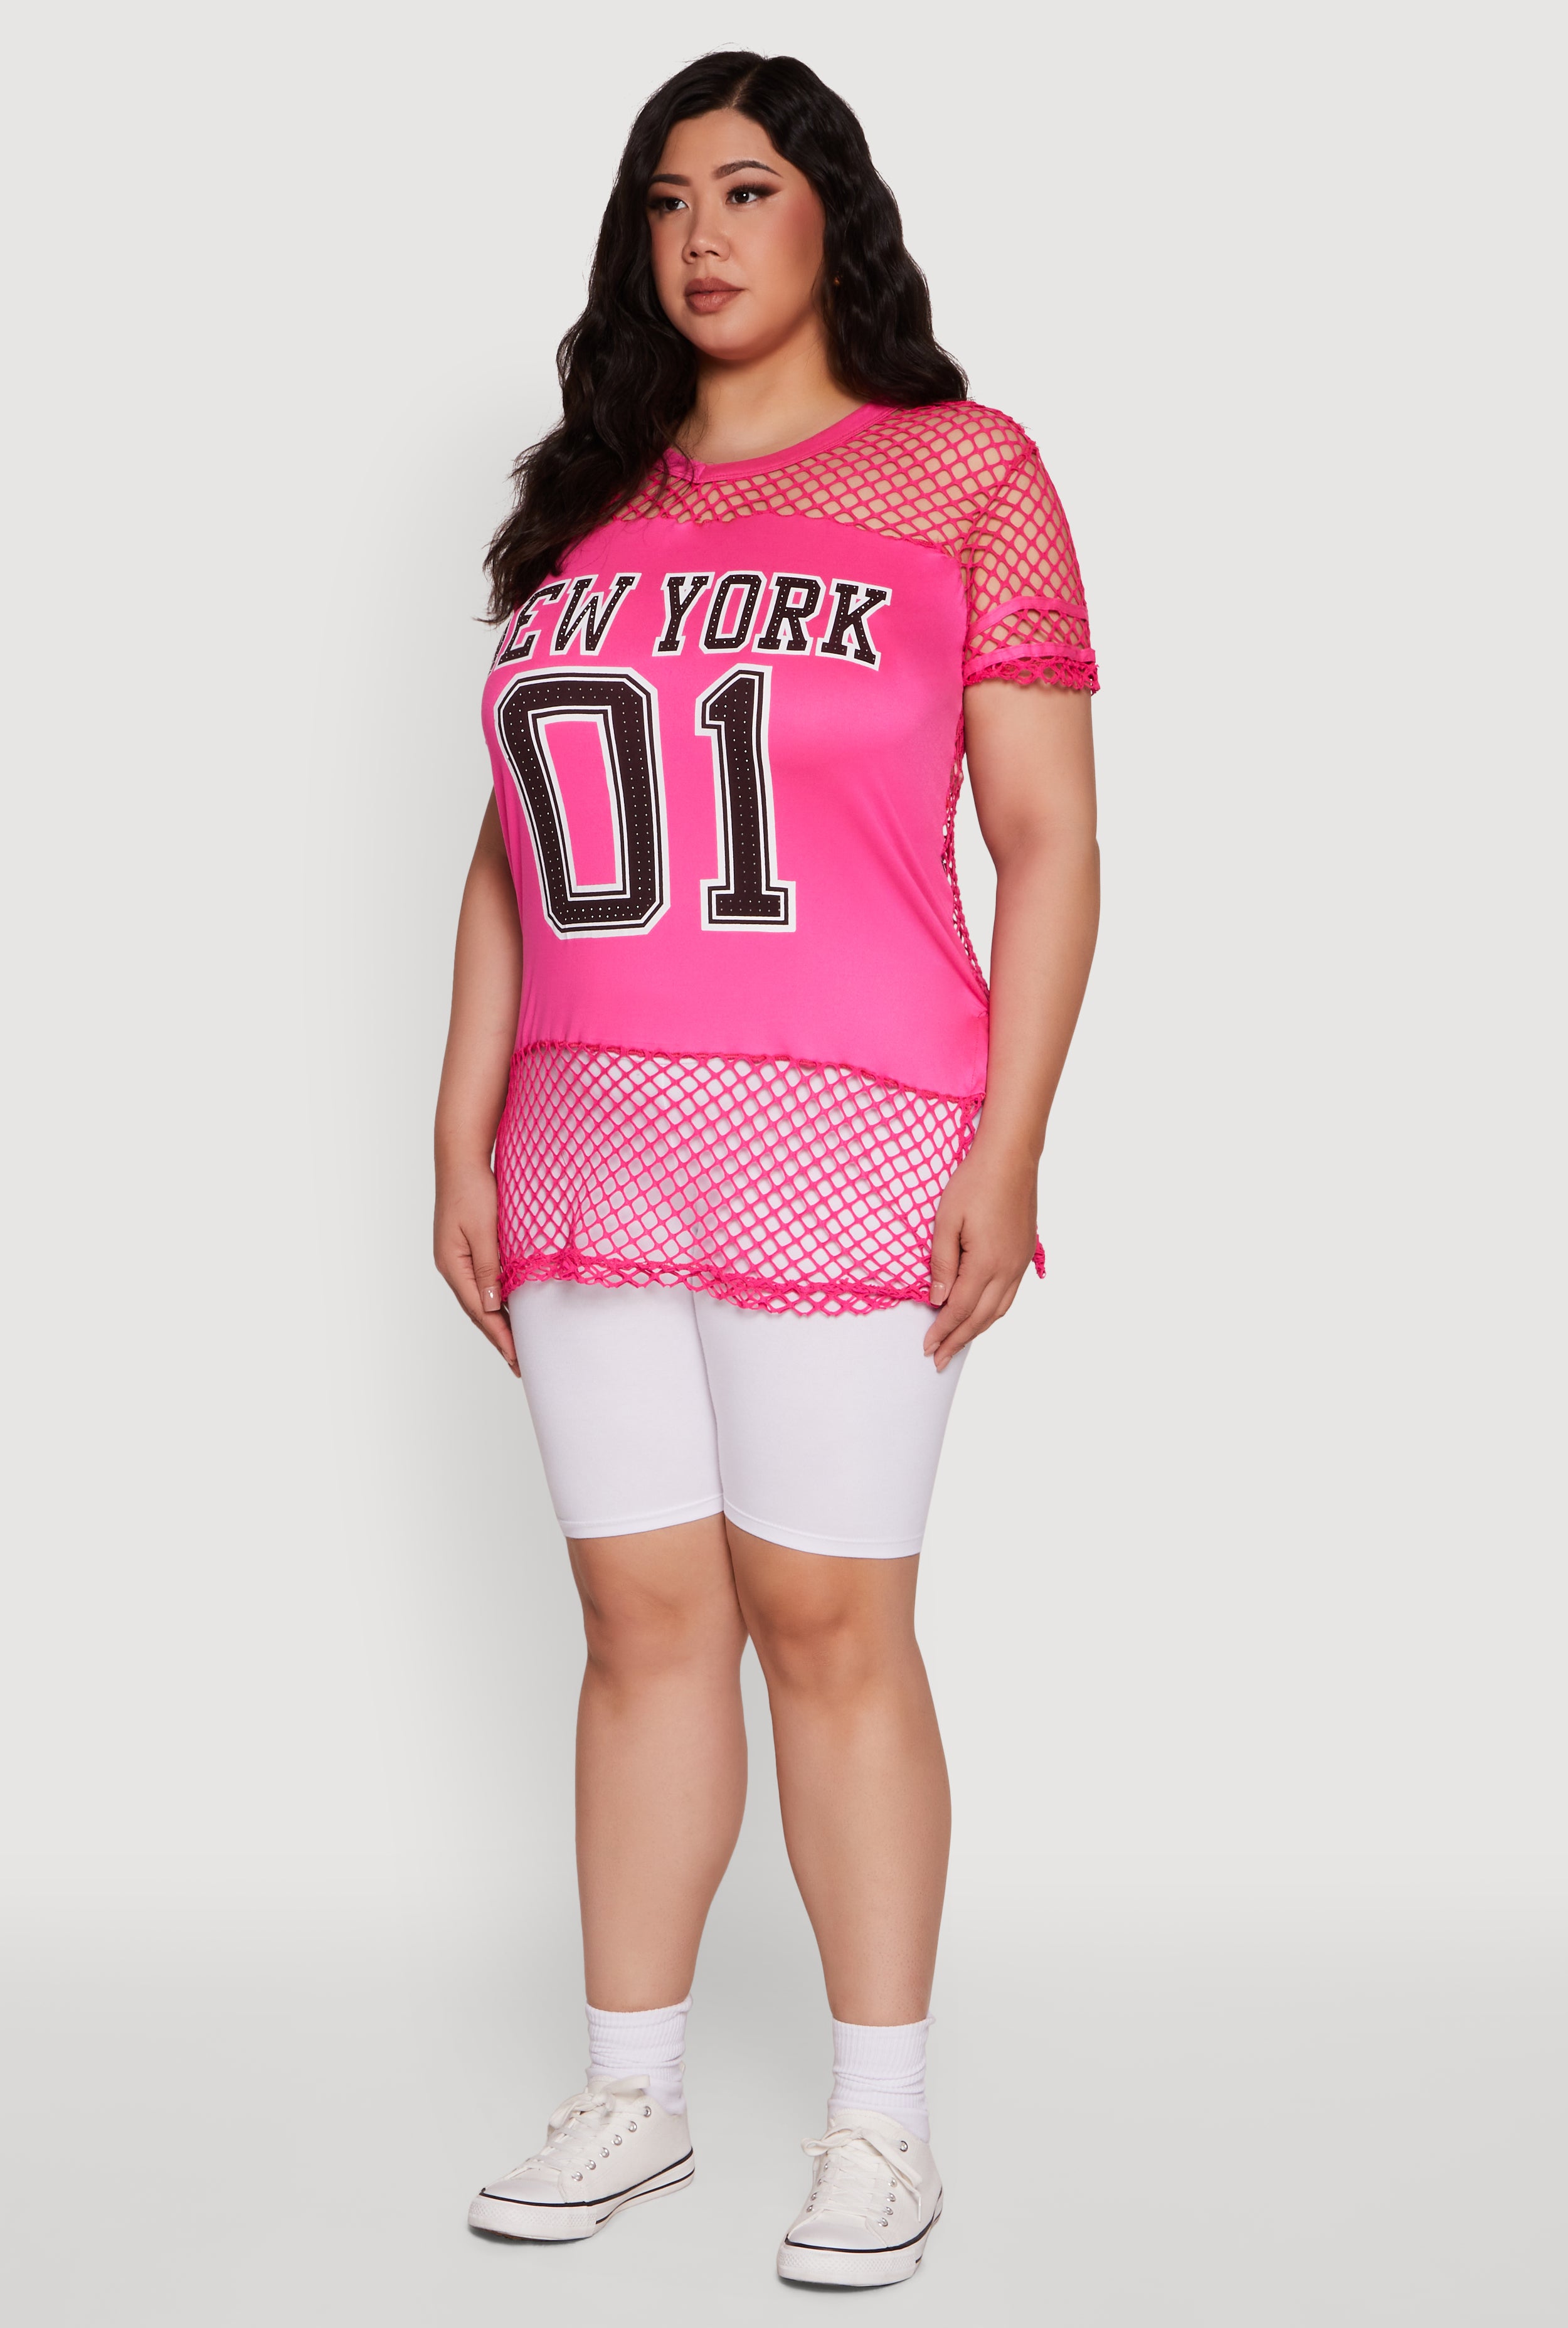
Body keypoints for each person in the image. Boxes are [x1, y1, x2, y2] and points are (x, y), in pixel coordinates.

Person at [434, 48, 1099, 2290]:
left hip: (851, 1135)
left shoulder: (963, 473)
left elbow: (1046, 841)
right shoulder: (590, 500)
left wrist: (1011, 1139)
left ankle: (879, 2128)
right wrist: (459, 1117)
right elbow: (516, 843)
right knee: (638, 1628)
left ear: (834, 215)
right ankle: (631, 2094)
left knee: (828, 1626)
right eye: (663, 198)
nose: (699, 234)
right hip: (589, 1141)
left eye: (743, 188)